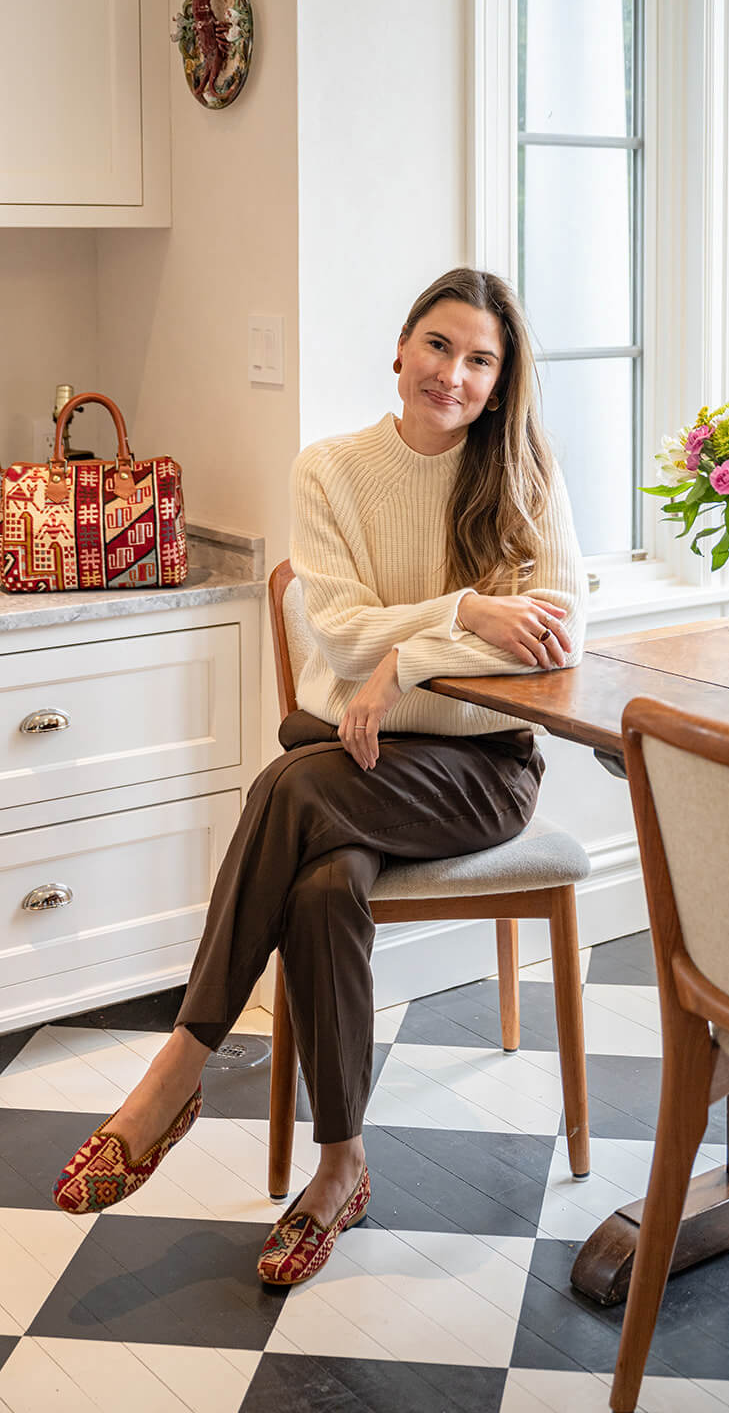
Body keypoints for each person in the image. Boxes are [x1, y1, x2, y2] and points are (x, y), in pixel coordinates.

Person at [53, 268, 586, 1286]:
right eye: (439, 346)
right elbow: (336, 633)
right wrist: (465, 616)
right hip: (349, 756)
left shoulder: (525, 478)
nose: (454, 375)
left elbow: (552, 645)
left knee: (288, 789)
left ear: (500, 379)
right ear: (399, 348)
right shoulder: (331, 470)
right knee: (321, 878)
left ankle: (177, 1068)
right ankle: (342, 1162)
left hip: (478, 766)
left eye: (481, 360)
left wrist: (409, 661)